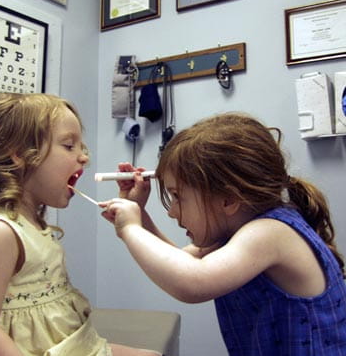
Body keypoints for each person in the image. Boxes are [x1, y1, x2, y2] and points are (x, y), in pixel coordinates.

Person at [101, 112, 346, 355]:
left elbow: (192, 282)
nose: (172, 212)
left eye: (177, 196)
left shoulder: (270, 233)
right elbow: (180, 261)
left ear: (229, 199)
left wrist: (130, 228)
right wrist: (140, 214)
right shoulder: (234, 233)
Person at [0, 92, 159, 356]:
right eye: (69, 145)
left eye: (81, 147)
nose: (84, 157)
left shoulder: (33, 224)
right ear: (18, 154)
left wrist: (137, 213)